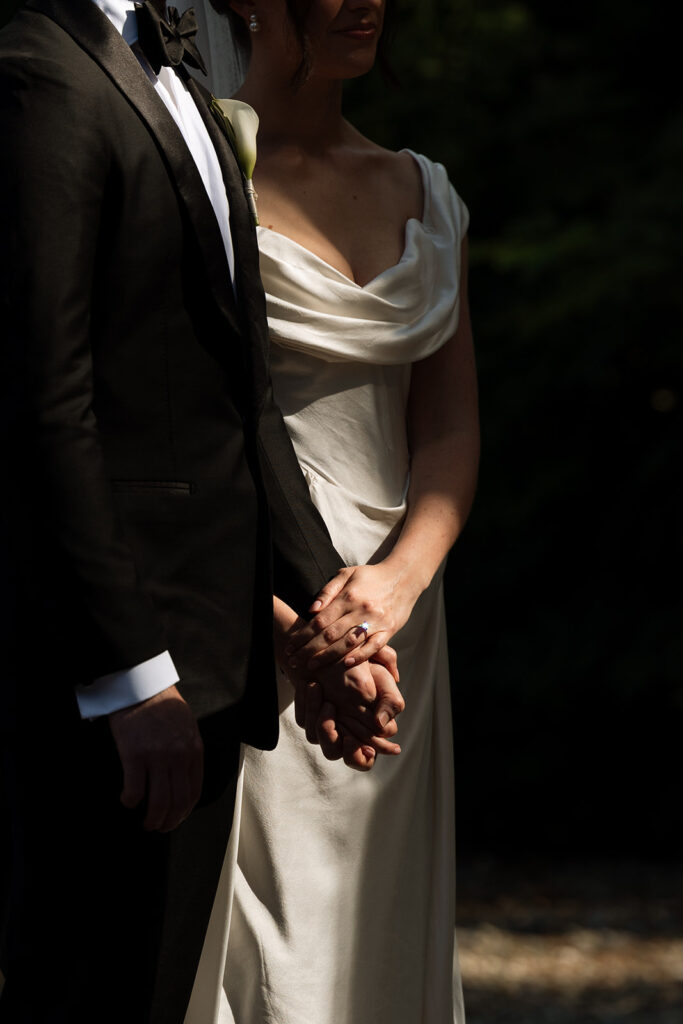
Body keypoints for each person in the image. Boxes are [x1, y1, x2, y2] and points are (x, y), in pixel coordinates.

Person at [0, 0, 405, 1020]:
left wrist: (333, 625)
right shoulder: (36, 67)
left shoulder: (169, 64)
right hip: (117, 683)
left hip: (217, 671)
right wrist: (128, 679)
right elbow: (43, 401)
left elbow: (242, 396)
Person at [185, 0, 480, 1021]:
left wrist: (390, 591)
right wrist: (305, 634)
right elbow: (179, 432)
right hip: (248, 617)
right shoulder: (197, 174)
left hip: (400, 629)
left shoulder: (421, 190)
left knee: (376, 949)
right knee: (264, 955)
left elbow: (447, 434)